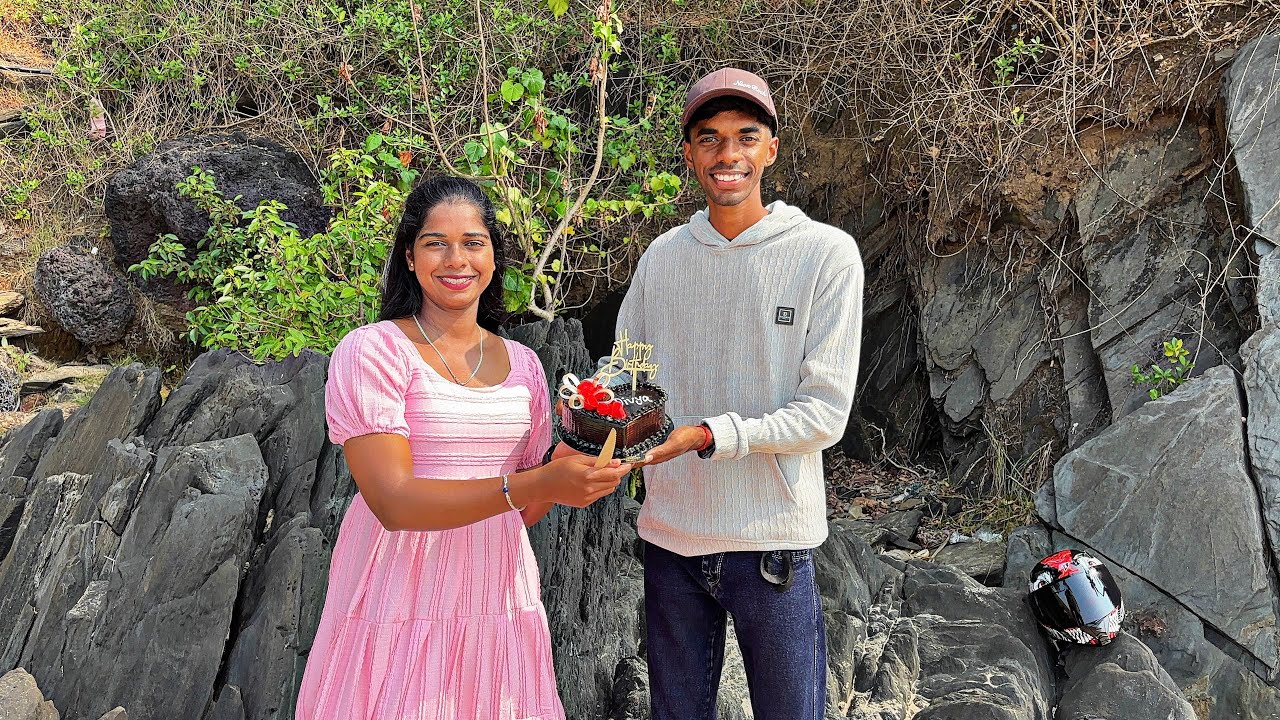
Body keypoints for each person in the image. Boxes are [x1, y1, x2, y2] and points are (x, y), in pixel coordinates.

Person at [296, 175, 632, 719]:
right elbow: (394, 503)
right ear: (409, 256)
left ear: (495, 258)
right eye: (436, 243)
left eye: (474, 242)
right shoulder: (373, 352)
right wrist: (541, 481)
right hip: (397, 593)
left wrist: (575, 461)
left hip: (497, 598)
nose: (457, 259)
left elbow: (518, 512)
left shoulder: (524, 367)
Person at [619, 68, 865, 719]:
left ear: (771, 149)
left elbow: (824, 415)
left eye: (745, 136)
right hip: (671, 542)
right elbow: (628, 379)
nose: (728, 155)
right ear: (690, 154)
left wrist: (707, 435)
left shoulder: (825, 255)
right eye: (710, 138)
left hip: (772, 546)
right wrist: (592, 423)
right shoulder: (661, 259)